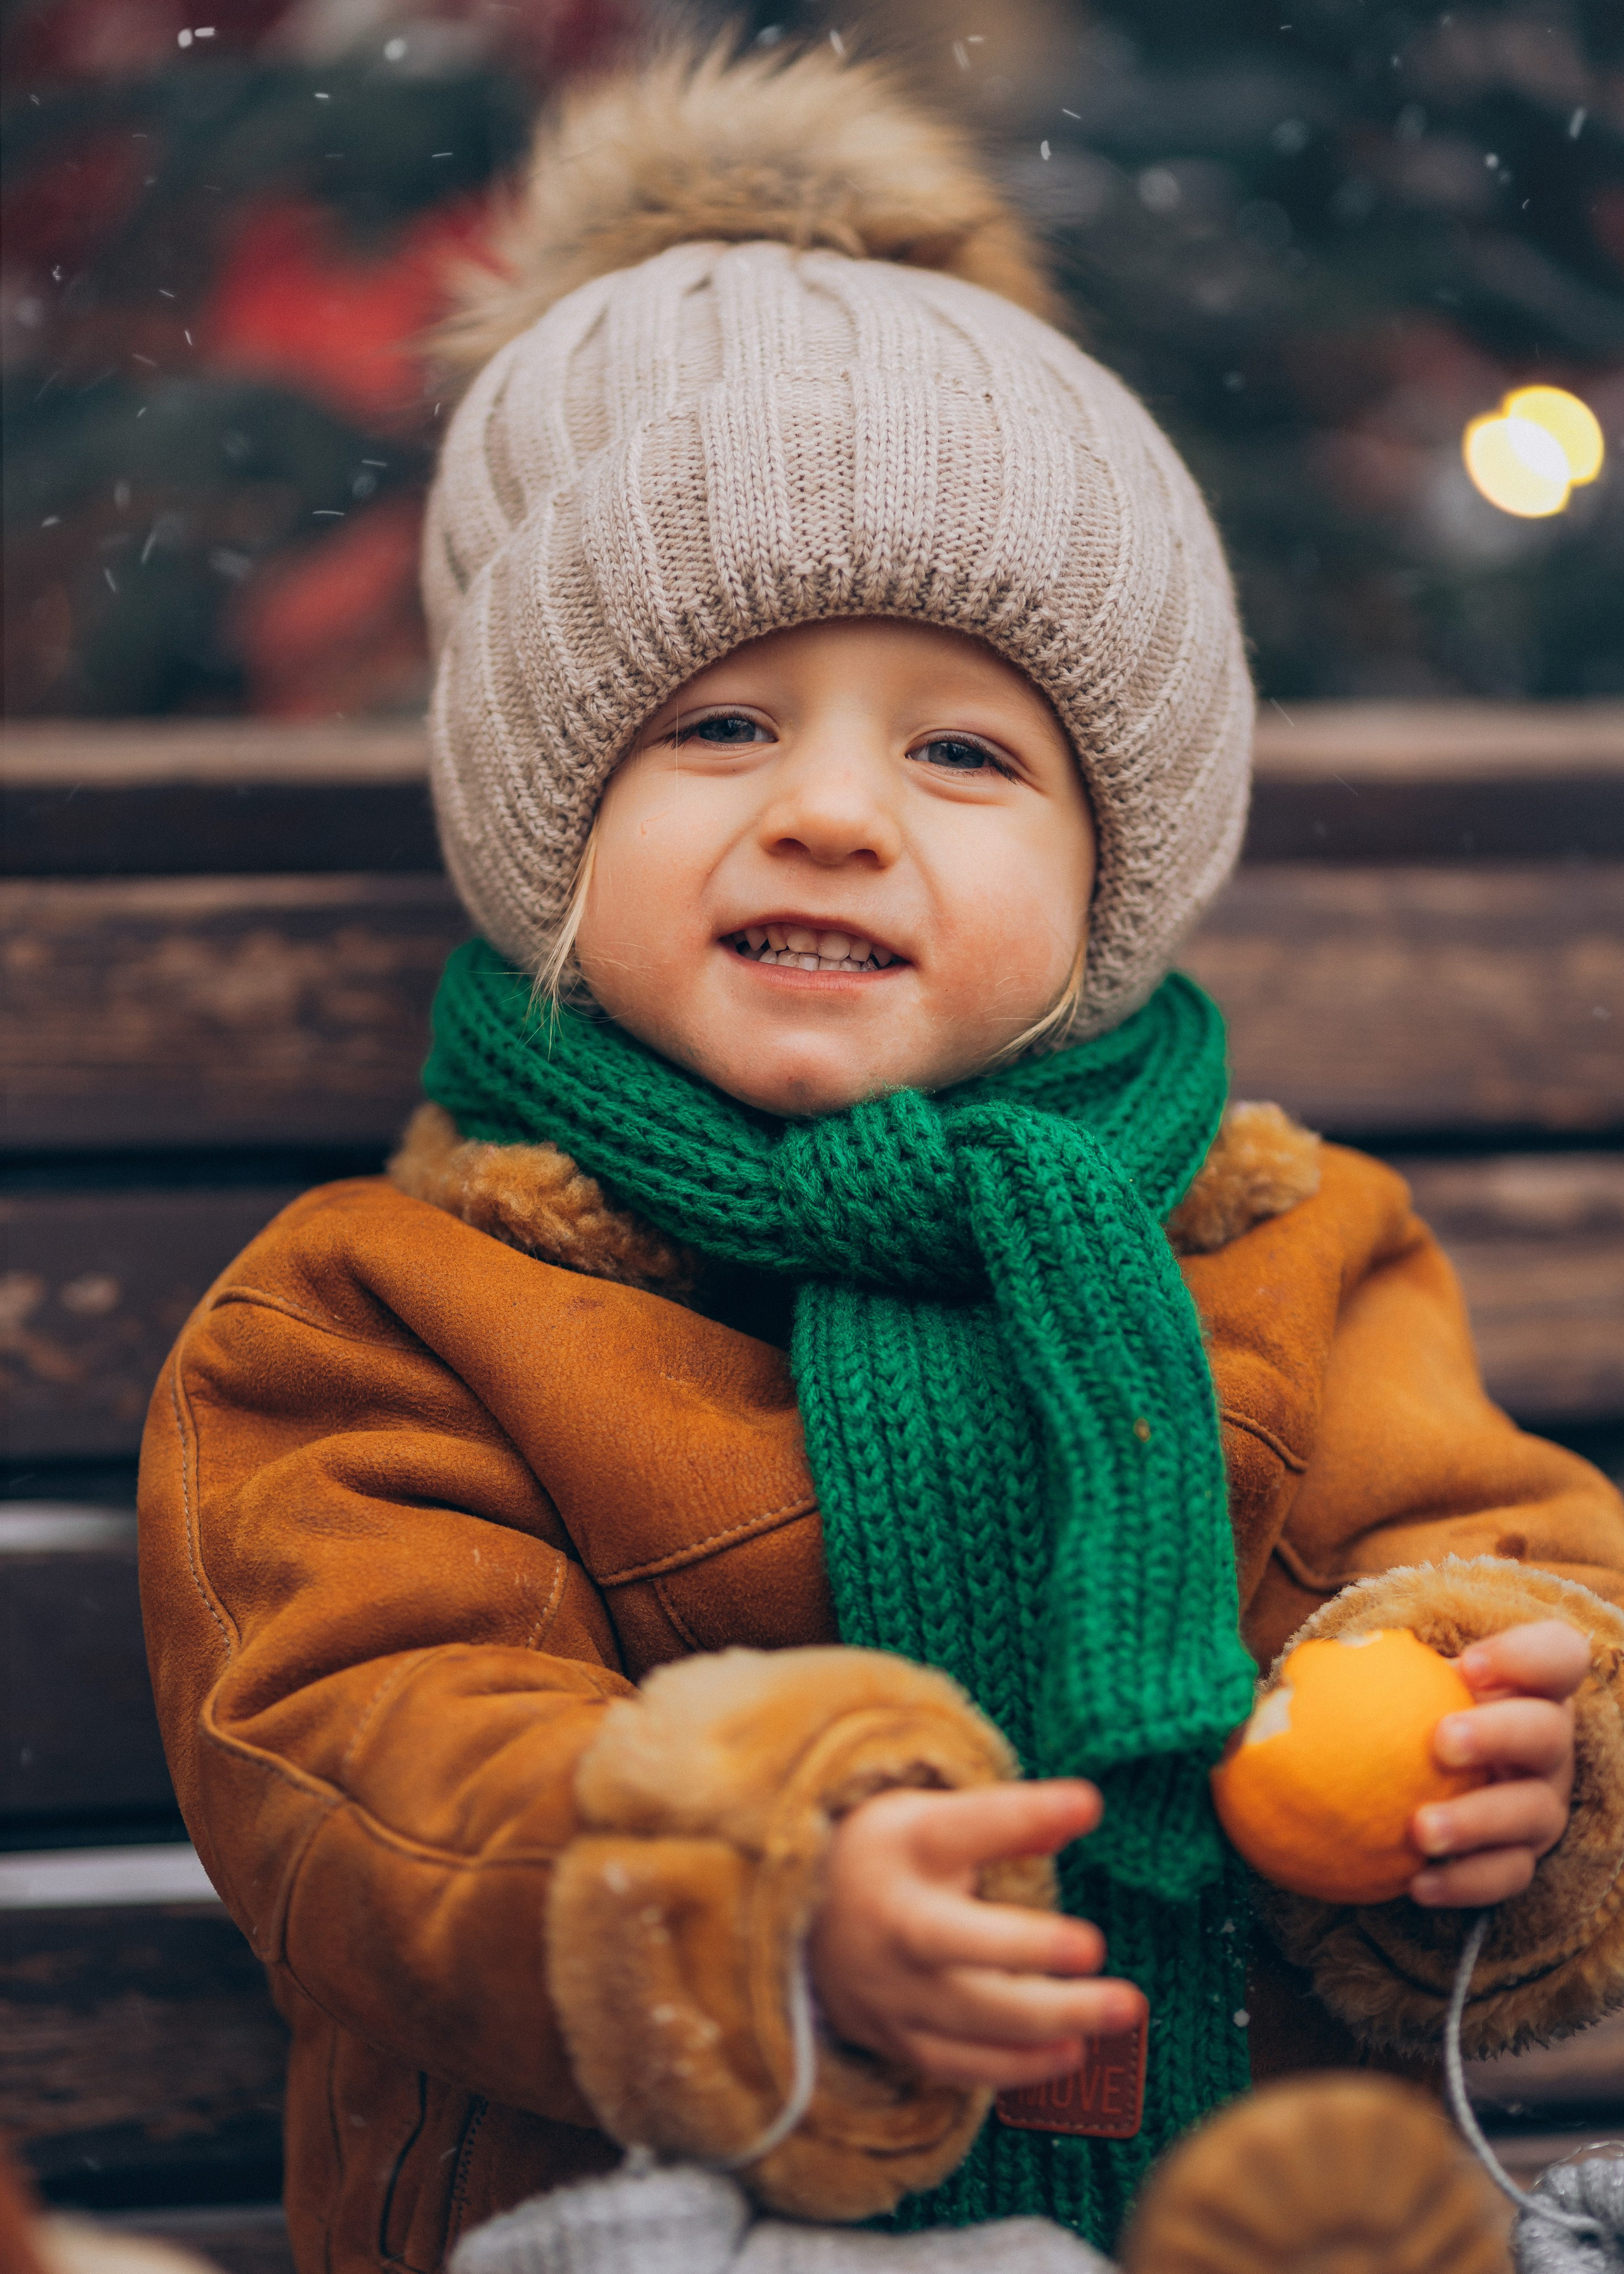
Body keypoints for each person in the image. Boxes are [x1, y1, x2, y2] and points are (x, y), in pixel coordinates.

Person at [138, 41, 1624, 2274]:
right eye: (722, 724)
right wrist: (747, 1903)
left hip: (1238, 2217)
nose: (832, 812)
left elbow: (1486, 1550)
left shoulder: (1293, 1248)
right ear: (548, 817)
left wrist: (1518, 1751)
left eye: (964, 753)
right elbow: (370, 1770)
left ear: (1110, 872)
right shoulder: (374, 1322)